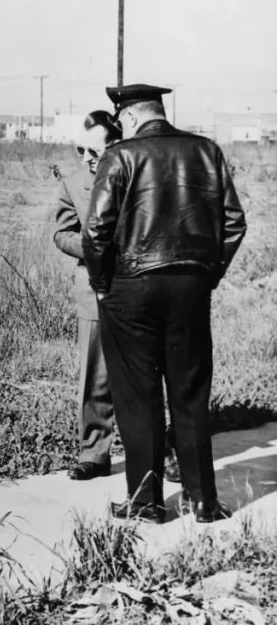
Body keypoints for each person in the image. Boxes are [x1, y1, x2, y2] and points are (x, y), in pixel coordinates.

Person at [82, 84, 247, 524]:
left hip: (130, 289)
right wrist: (207, 274)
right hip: (191, 289)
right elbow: (233, 223)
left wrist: (102, 283)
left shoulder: (120, 156)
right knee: (191, 394)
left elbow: (96, 230)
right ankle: (204, 503)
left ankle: (147, 504)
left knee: (139, 398)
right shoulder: (206, 151)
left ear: (130, 118)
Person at [53, 111, 119, 480]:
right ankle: (94, 453)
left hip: (135, 289)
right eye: (81, 149)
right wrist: (93, 248)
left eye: (95, 151)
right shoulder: (73, 182)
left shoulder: (134, 177)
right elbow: (62, 233)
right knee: (94, 375)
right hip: (93, 289)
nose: (86, 159)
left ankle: (162, 449)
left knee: (145, 372)